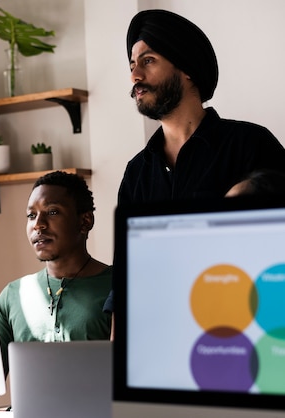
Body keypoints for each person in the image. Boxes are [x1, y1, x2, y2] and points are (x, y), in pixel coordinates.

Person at [106, 9, 285, 339]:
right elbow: (126, 277)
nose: (135, 76)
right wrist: (114, 367)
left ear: (186, 69)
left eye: (148, 61)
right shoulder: (136, 174)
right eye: (132, 66)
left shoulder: (251, 145)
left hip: (245, 340)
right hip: (161, 344)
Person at [0, 171, 111, 406]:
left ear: (85, 222)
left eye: (52, 212)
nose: (38, 224)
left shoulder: (118, 286)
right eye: (31, 215)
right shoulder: (13, 295)